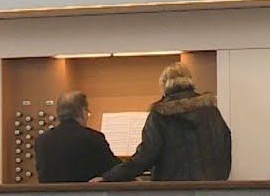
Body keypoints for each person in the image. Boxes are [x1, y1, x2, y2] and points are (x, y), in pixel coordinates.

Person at [96, 62, 231, 182]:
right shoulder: (211, 111)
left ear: (163, 85)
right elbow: (224, 147)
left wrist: (109, 176)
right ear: (190, 81)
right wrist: (218, 180)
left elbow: (146, 156)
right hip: (210, 189)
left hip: (171, 192)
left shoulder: (160, 113)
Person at [35, 91, 120, 183]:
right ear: (82, 113)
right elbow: (113, 170)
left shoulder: (42, 140)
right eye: (87, 112)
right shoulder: (93, 138)